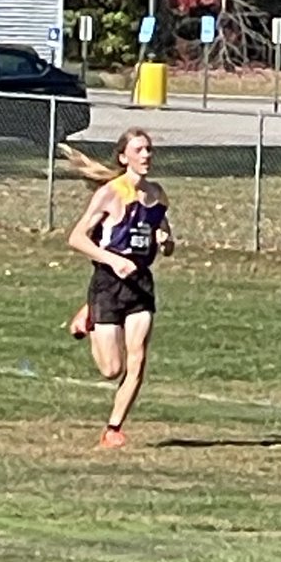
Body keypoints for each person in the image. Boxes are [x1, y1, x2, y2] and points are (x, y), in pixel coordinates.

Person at [63, 128, 174, 449]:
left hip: (140, 285)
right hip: (108, 284)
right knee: (112, 369)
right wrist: (112, 260)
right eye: (139, 150)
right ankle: (89, 315)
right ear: (124, 157)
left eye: (149, 150)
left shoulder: (157, 195)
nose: (146, 156)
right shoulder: (111, 193)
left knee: (138, 360)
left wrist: (166, 242)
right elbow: (76, 238)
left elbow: (164, 239)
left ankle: (113, 428)